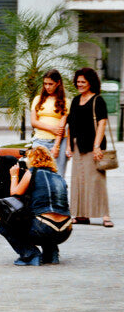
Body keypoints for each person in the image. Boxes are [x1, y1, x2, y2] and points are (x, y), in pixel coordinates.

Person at [1, 146, 72, 266]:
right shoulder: (58, 176)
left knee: (0, 219)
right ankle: (51, 254)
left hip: (43, 228)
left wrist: (14, 175)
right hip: (65, 230)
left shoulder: (32, 172)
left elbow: (15, 193)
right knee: (45, 214)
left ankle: (31, 255)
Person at [65, 67, 113, 227]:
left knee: (96, 180)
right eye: (78, 82)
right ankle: (81, 215)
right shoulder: (75, 100)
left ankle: (105, 215)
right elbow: (70, 124)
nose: (79, 84)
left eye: (83, 82)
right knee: (79, 179)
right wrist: (69, 145)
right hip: (78, 145)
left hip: (94, 146)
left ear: (90, 83)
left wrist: (97, 145)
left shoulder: (98, 100)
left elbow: (102, 123)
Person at [31, 69, 70, 177]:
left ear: (58, 83)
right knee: (37, 174)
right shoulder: (38, 99)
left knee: (58, 175)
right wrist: (51, 128)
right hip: (39, 140)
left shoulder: (66, 102)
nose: (47, 87)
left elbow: (61, 126)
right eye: (45, 84)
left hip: (59, 142)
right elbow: (34, 122)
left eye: (50, 84)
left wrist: (56, 147)